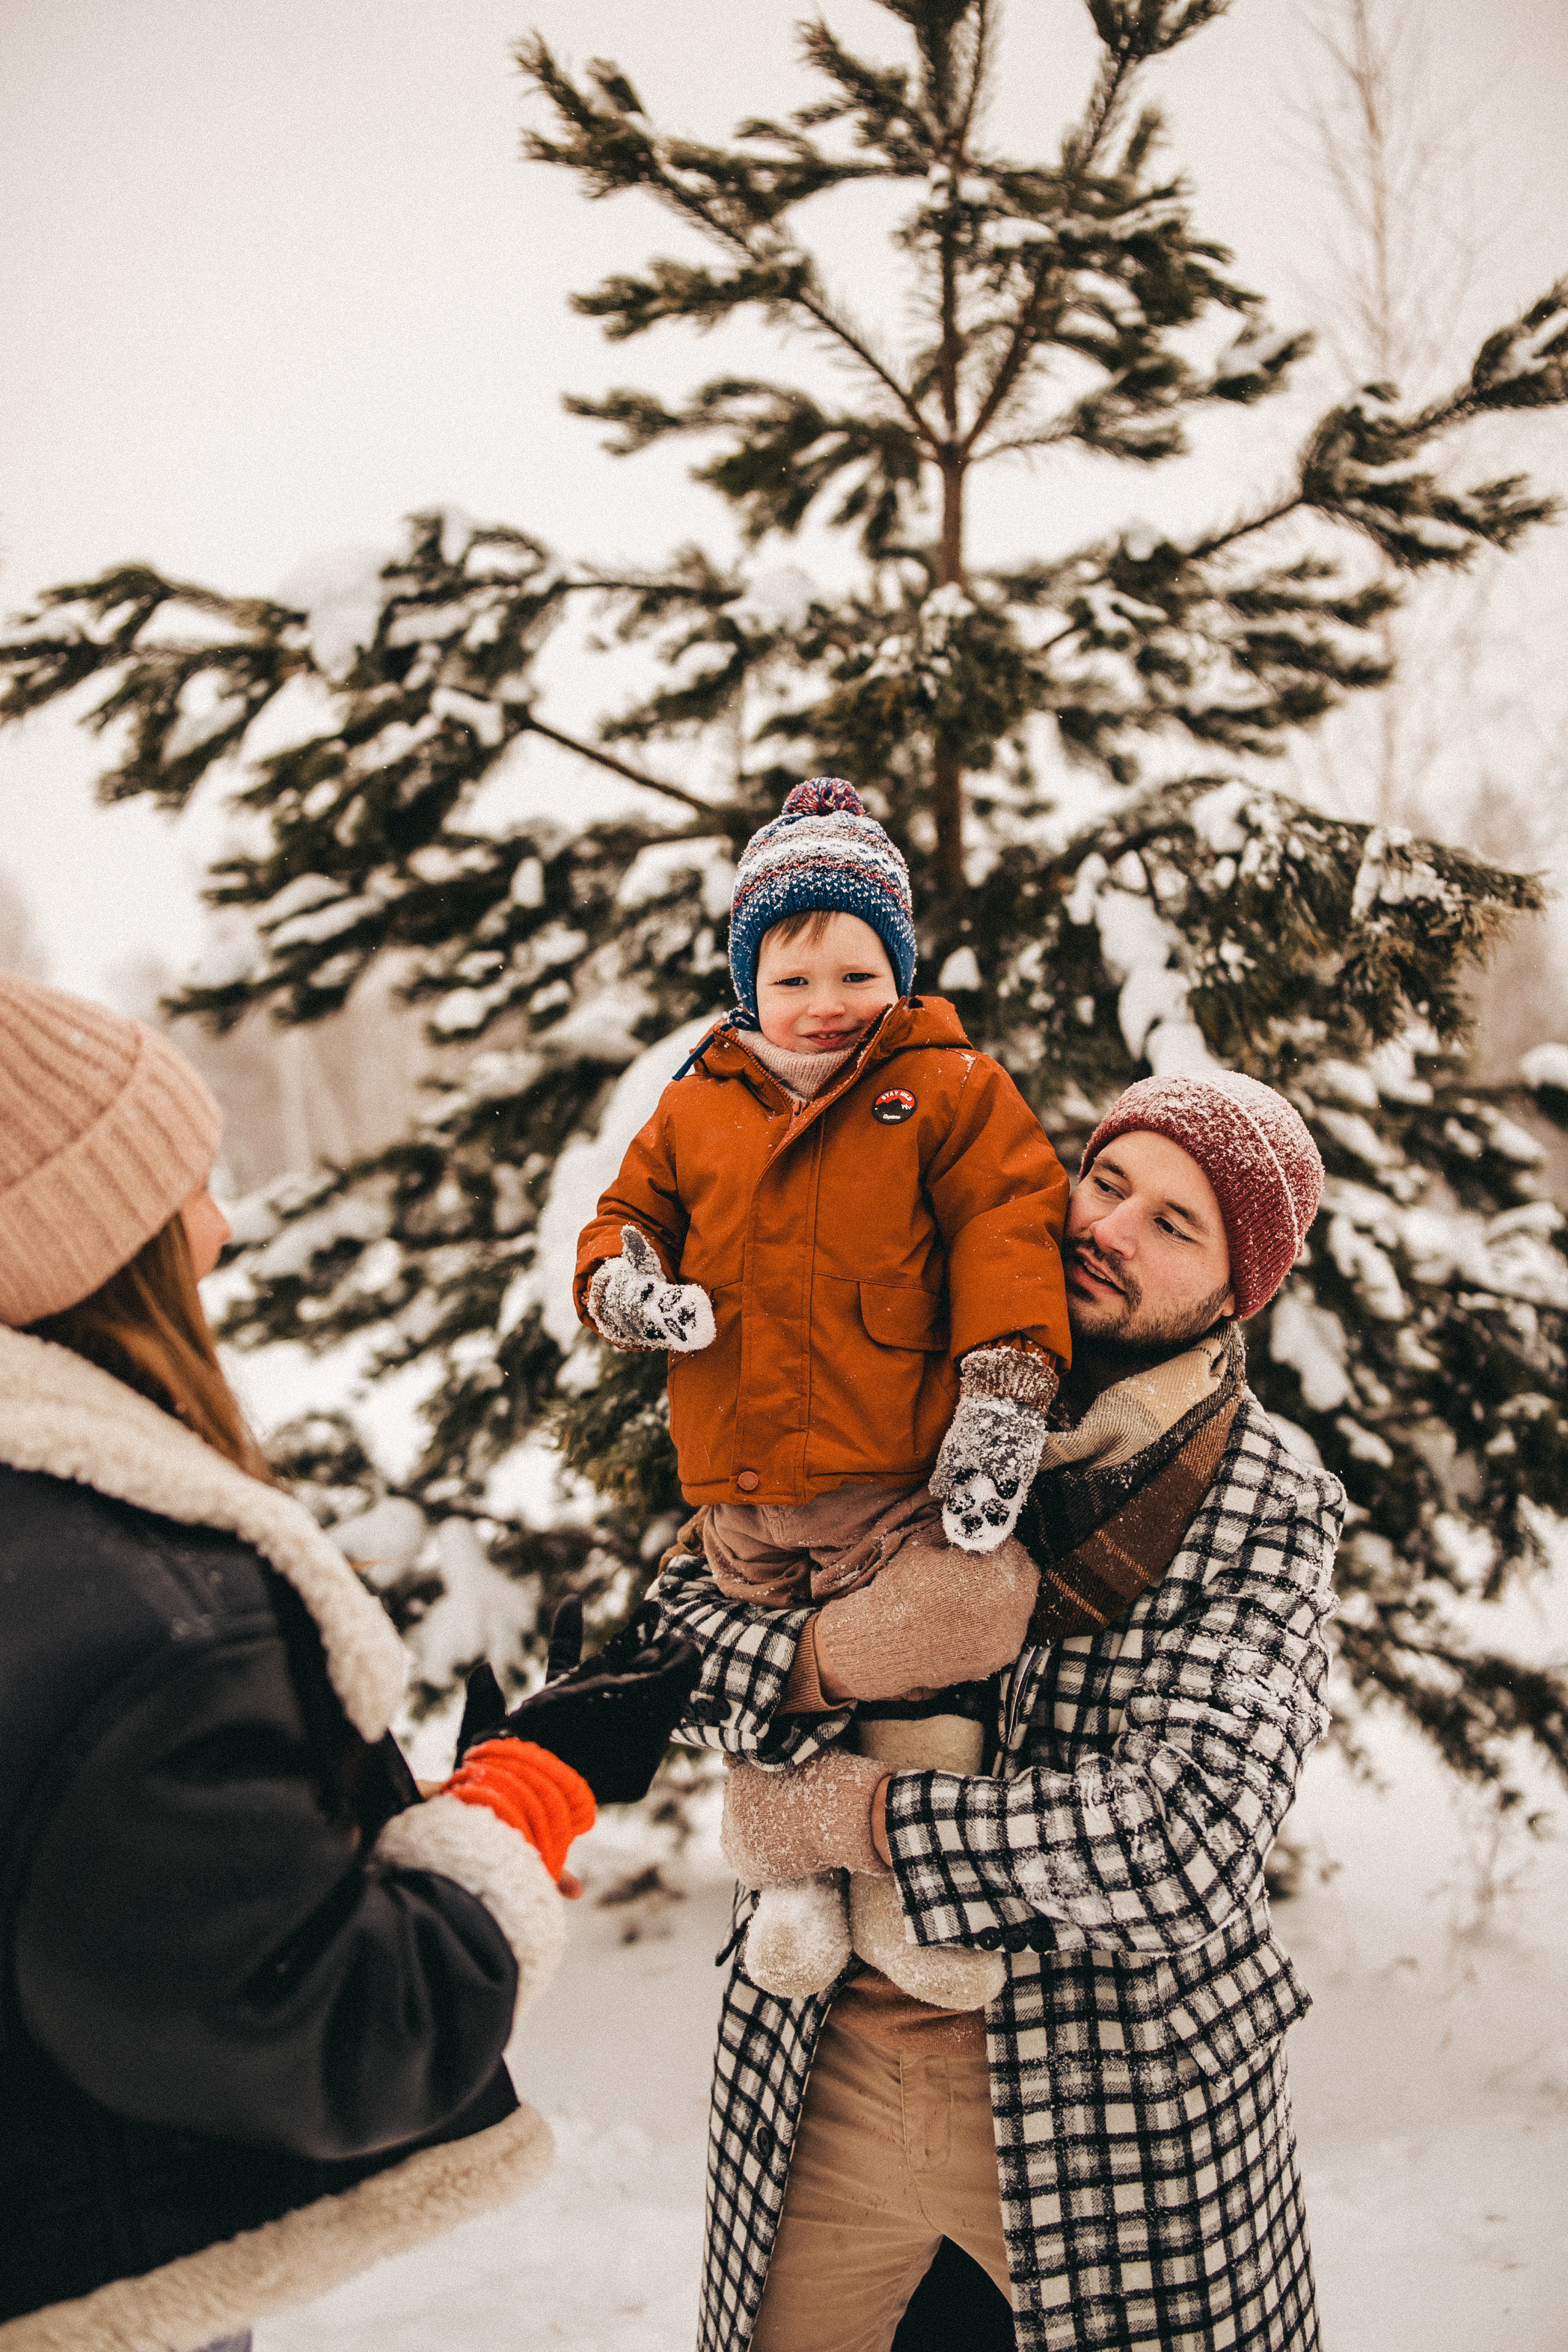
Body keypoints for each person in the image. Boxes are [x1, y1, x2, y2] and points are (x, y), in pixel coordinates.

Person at [0, 973, 696, 2350]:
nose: (225, 1220)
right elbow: (336, 2025)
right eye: (189, 1183)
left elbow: (134, 1929)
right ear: (94, 1245)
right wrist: (530, 1794)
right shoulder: (139, 1615)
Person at [656, 1070, 1344, 2352]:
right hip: (825, 2074)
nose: (1109, 1229)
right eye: (1107, 1182)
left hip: (1110, 2105)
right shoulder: (902, 1372)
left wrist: (861, 1815)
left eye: (1173, 1225)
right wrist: (823, 1662)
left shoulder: (1263, 1500)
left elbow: (1178, 1846)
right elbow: (674, 1631)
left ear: (1235, 1287)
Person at [574, 776, 1072, 2005]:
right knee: (754, 1674)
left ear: (897, 970)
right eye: (791, 981)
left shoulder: (945, 1089)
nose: (826, 1005)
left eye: (857, 974)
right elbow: (623, 1217)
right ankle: (788, 1883)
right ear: (746, 985)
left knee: (921, 1666)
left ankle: (913, 1889)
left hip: (887, 1487)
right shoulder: (695, 1106)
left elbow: (1008, 1229)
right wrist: (625, 1282)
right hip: (740, 1491)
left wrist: (1005, 1385)